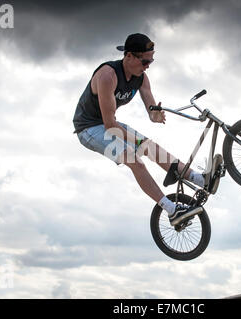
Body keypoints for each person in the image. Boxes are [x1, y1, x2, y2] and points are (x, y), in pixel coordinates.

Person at [73, 33, 217, 226]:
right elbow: (109, 125)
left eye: (151, 60)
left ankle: (199, 179)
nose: (148, 65)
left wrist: (155, 116)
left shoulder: (141, 78)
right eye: (145, 61)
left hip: (109, 123)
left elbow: (151, 109)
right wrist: (138, 142)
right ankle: (172, 210)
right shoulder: (108, 76)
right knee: (135, 160)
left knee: (150, 146)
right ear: (129, 56)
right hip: (89, 129)